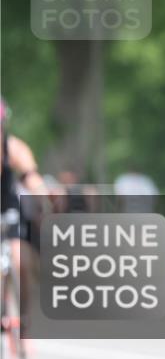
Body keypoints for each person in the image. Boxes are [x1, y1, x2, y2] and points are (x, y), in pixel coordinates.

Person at [0, 97, 47, 350]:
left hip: (7, 213)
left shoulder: (13, 147)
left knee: (21, 261)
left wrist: (44, 197)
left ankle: (25, 323)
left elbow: (32, 177)